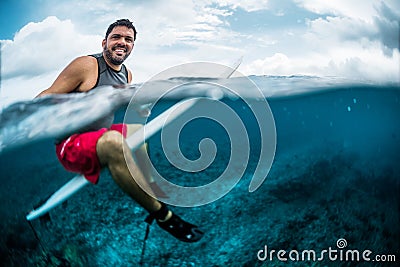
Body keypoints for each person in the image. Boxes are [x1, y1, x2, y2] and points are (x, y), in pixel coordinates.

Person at [36, 19, 203, 243]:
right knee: (115, 141)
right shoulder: (86, 65)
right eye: (116, 37)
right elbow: (45, 97)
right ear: (104, 41)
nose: (122, 42)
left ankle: (144, 187)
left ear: (133, 46)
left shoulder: (127, 74)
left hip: (97, 137)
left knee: (137, 131)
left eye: (128, 39)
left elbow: (114, 103)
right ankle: (164, 216)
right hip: (70, 145)